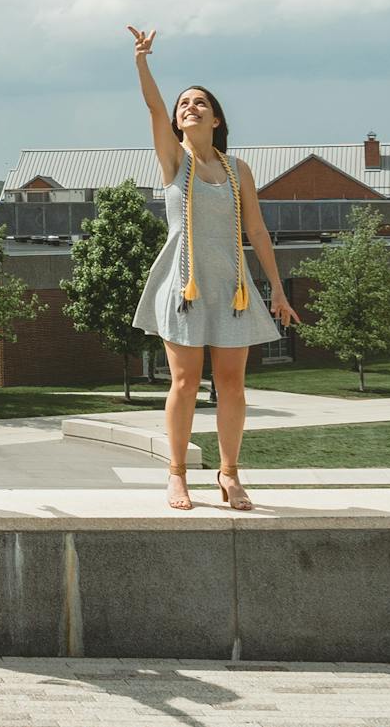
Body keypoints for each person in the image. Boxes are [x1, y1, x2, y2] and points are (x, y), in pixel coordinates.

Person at [127, 26, 299, 511]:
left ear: (216, 118)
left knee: (232, 385)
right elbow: (154, 109)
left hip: (233, 286)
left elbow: (259, 233)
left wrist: (278, 291)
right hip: (184, 283)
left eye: (200, 102)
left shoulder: (236, 170)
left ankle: (229, 474)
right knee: (184, 381)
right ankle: (177, 475)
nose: (189, 107)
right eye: (185, 103)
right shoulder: (171, 161)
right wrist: (142, 61)